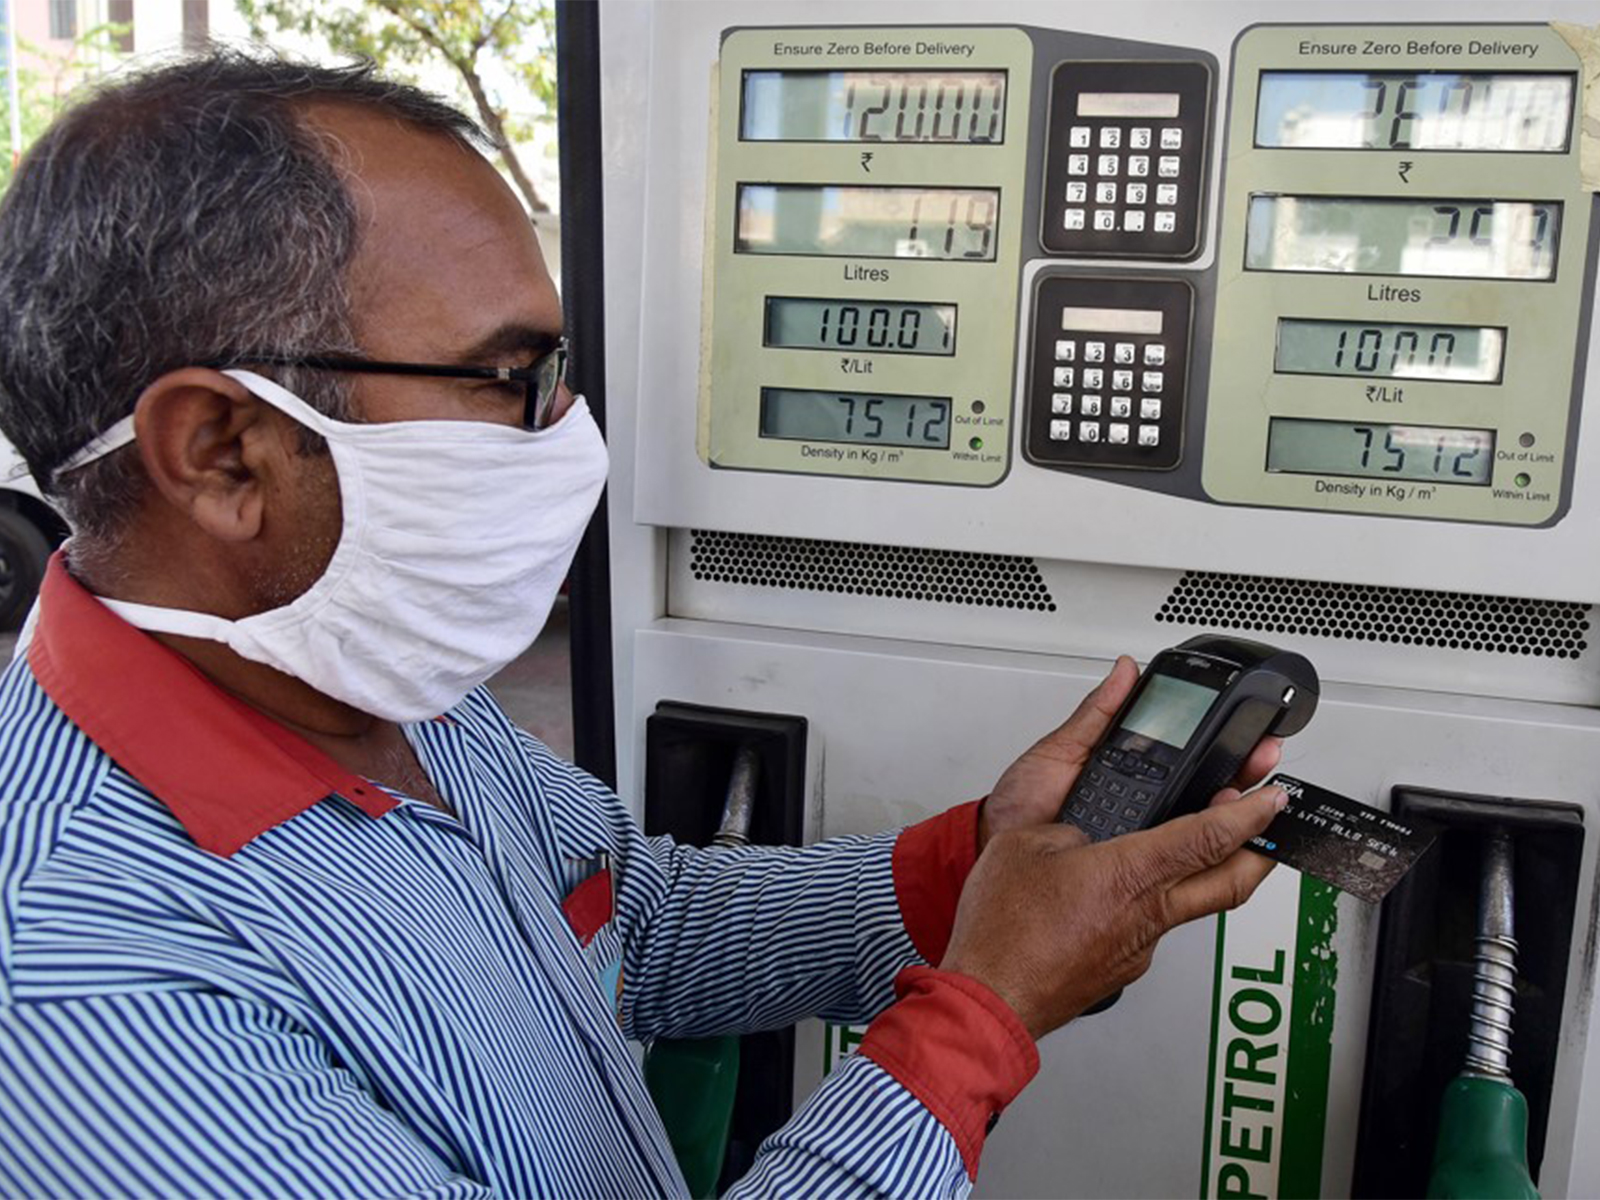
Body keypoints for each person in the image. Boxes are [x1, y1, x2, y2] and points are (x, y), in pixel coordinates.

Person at [0, 52, 1285, 1198]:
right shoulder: (87, 996)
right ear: (224, 452)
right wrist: (979, 1017)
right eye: (517, 378)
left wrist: (987, 863)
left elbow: (641, 927)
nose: (570, 433)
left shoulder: (365, 682)